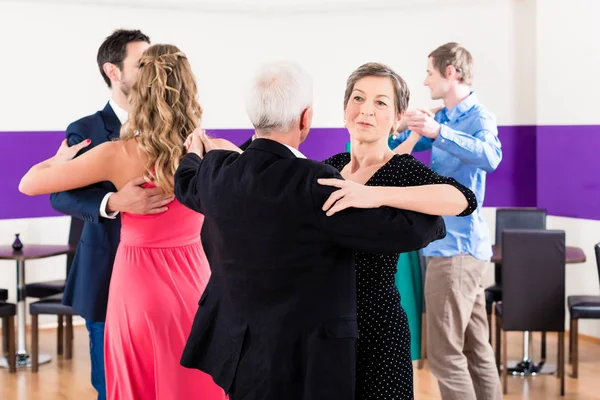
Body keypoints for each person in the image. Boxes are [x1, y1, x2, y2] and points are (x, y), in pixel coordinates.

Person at [173, 61, 445, 400]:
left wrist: (195, 155)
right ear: (306, 118)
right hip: (302, 356)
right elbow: (404, 233)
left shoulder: (217, 173)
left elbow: (185, 183)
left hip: (239, 353)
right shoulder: (313, 181)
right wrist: (430, 219)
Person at [20, 44, 226, 400]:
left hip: (137, 287)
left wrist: (57, 161)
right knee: (194, 383)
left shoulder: (116, 154)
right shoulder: (215, 150)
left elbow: (28, 184)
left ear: (140, 92)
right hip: (194, 282)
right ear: (189, 91)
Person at [315, 62, 477, 400]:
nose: (365, 110)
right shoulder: (327, 168)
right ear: (345, 108)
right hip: (324, 325)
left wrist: (373, 194)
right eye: (358, 98)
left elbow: (463, 198)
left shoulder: (401, 168)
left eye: (380, 102)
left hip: (378, 325)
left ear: (397, 116)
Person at [47, 29, 175, 400]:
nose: (153, 71)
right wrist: (113, 203)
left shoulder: (169, 124)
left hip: (165, 280)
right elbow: (60, 193)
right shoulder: (85, 130)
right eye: (142, 63)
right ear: (113, 71)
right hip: (107, 276)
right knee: (111, 386)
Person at [389, 42, 503, 400]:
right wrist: (405, 125)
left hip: (456, 253)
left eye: (429, 73)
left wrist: (439, 132)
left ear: (450, 73)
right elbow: (398, 148)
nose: (425, 81)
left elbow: (491, 156)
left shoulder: (477, 118)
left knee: (444, 356)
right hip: (455, 251)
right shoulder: (445, 118)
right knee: (476, 350)